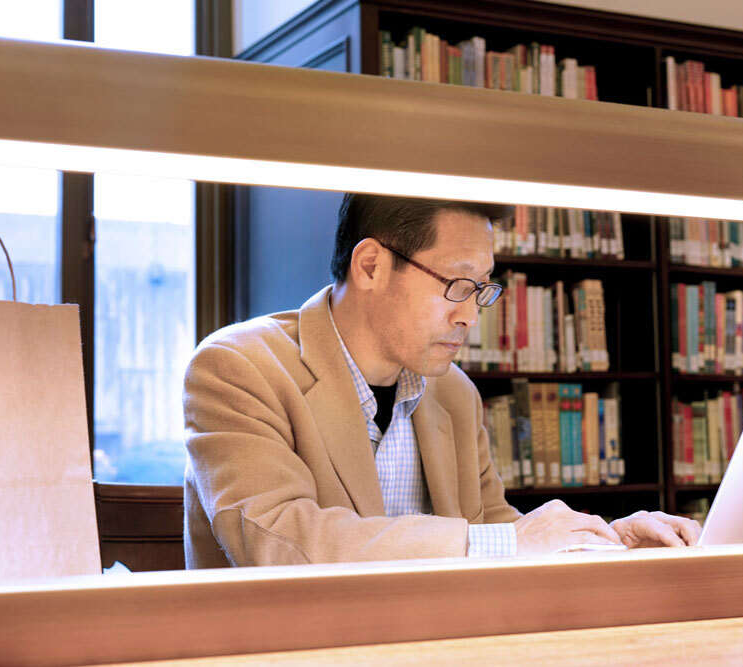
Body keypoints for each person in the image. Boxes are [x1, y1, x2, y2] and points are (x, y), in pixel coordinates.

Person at [183, 194, 700, 568]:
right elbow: (280, 542)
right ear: (370, 266)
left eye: (482, 289)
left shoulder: (453, 391)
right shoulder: (238, 367)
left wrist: (602, 542)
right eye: (457, 285)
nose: (471, 316)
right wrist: (505, 542)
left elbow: (502, 531)